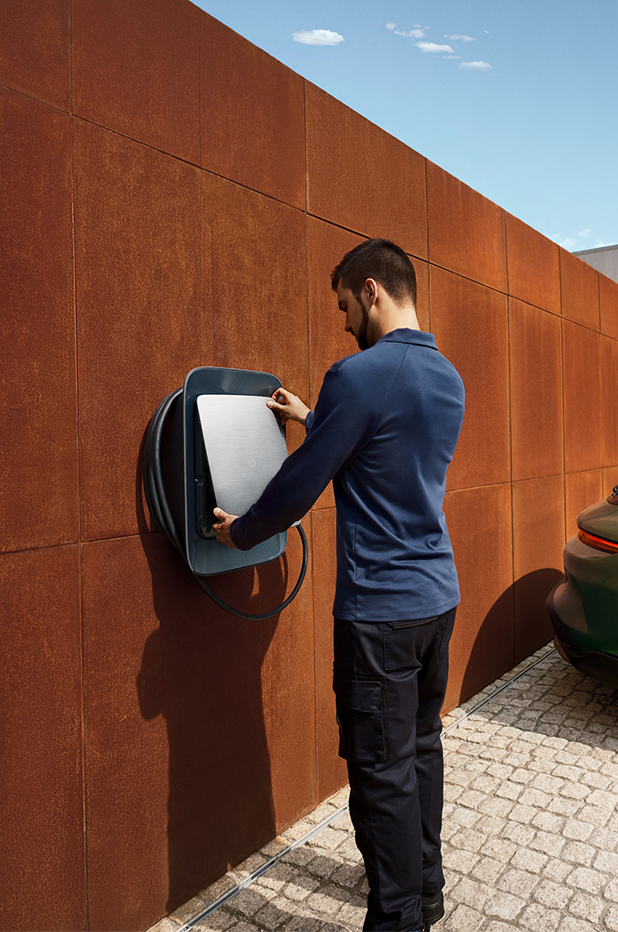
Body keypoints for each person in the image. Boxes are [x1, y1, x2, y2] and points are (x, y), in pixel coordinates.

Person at [212, 238, 465, 932]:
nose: (344, 320)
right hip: (436, 600)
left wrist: (240, 531)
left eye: (345, 305)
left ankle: (399, 919)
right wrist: (310, 418)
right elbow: (384, 445)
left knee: (381, 772)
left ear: (373, 291)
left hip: (379, 613)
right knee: (419, 748)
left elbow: (300, 484)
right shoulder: (448, 377)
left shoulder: (356, 375)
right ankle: (430, 889)